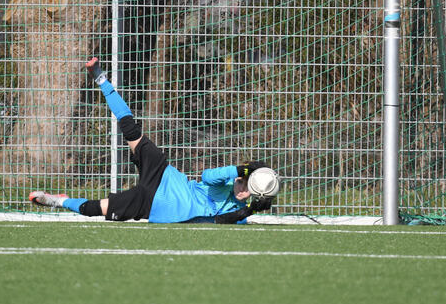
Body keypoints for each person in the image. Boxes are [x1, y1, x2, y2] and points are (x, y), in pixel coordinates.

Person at [29, 57, 277, 224]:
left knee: (95, 209)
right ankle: (102, 80)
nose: (243, 191)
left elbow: (222, 222)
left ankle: (58, 200)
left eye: (249, 191)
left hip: (151, 206)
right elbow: (208, 176)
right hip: (164, 176)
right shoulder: (222, 185)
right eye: (244, 183)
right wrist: (246, 168)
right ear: (239, 178)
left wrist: (252, 209)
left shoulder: (237, 211)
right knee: (130, 129)